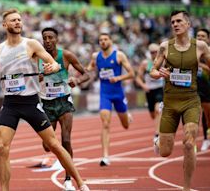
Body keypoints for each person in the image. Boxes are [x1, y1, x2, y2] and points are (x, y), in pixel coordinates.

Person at [0, 9, 89, 191]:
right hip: (10, 104)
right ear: (5, 25)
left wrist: (53, 67)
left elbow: (53, 62)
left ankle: (80, 182)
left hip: (31, 103)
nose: (17, 22)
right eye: (13, 20)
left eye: (19, 20)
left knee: (54, 145)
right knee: (2, 147)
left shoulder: (31, 44)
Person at [150, 10, 210, 191]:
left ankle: (186, 188)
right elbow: (152, 71)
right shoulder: (164, 46)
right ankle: (158, 141)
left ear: (188, 24)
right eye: (172, 22)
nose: (175, 24)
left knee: (189, 142)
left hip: (191, 100)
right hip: (170, 102)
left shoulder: (200, 46)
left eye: (178, 21)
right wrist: (158, 73)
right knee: (165, 151)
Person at [38, 27, 90, 190]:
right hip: (47, 103)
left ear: (56, 39)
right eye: (45, 38)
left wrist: (78, 81)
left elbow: (86, 74)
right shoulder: (37, 57)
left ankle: (68, 178)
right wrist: (40, 75)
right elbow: (31, 78)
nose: (47, 41)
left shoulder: (66, 55)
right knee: (48, 145)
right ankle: (54, 153)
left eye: (50, 37)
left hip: (64, 101)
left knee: (66, 140)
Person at [87, 33, 135, 166]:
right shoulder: (96, 56)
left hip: (118, 94)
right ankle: (105, 156)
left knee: (125, 125)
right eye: (100, 40)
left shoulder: (119, 55)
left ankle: (127, 115)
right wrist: (82, 71)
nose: (102, 42)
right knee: (105, 123)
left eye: (105, 39)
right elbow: (90, 67)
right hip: (104, 94)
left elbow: (132, 74)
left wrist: (118, 78)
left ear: (111, 41)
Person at [135, 43, 164, 141]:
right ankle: (159, 125)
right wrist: (143, 86)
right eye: (152, 52)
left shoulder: (163, 62)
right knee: (152, 114)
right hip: (149, 91)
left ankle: (157, 134)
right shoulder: (145, 63)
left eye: (156, 52)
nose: (154, 54)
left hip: (160, 89)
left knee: (157, 110)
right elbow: (138, 78)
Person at [195, 28, 210, 151]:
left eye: (203, 36)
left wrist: (203, 66)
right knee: (197, 115)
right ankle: (205, 139)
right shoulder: (191, 52)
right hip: (194, 88)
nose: (200, 38)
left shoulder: (208, 53)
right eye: (198, 36)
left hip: (207, 88)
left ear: (208, 39)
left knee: (208, 115)